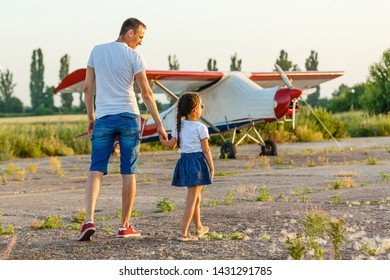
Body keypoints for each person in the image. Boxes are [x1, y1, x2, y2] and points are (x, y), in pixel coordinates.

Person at [78, 17, 167, 241]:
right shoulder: (134, 56)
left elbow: (88, 89)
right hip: (128, 116)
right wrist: (159, 123)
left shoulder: (96, 51)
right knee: (129, 171)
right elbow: (146, 93)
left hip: (104, 118)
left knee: (96, 168)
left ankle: (89, 220)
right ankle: (124, 226)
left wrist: (91, 117)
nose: (140, 42)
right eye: (140, 37)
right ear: (129, 33)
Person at [159, 92, 214, 241]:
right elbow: (206, 150)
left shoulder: (179, 125)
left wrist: (161, 139)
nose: (203, 108)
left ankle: (199, 228)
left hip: (184, 162)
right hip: (197, 163)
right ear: (195, 109)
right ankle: (184, 233)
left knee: (196, 198)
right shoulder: (201, 128)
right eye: (201, 106)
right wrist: (211, 167)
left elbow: (171, 145)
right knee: (191, 200)